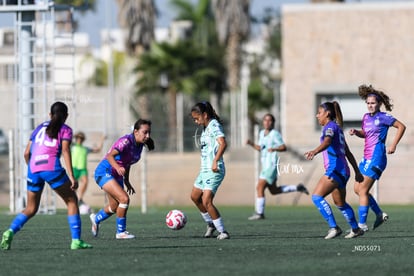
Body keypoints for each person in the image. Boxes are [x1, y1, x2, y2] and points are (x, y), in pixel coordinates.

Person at [1, 101, 92, 250]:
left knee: (30, 208)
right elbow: (65, 151)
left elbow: (26, 153)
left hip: (33, 169)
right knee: (72, 201)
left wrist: (33, 169)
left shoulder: (39, 128)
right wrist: (71, 176)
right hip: (51, 167)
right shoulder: (66, 129)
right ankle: (76, 241)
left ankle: (10, 231)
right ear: (66, 116)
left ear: (50, 115)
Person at [349, 84, 406, 231]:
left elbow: (401, 126)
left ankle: (361, 225)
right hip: (366, 158)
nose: (370, 106)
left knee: (362, 190)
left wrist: (393, 145)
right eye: (368, 103)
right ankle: (379, 214)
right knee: (357, 189)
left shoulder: (383, 117)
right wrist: (357, 132)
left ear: (379, 104)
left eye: (373, 103)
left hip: (377, 157)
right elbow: (366, 134)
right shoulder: (366, 117)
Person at [304, 101, 364, 239]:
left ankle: (334, 227)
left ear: (327, 113)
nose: (316, 115)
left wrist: (314, 151)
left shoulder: (329, 127)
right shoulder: (338, 129)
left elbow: (327, 142)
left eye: (319, 112)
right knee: (340, 203)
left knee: (317, 197)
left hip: (335, 169)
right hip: (344, 171)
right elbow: (347, 152)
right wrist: (357, 172)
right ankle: (356, 229)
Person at [89, 119, 154, 239]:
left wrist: (127, 181)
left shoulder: (138, 147)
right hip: (104, 171)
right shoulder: (125, 141)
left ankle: (96, 219)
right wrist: (118, 167)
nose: (148, 136)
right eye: (145, 132)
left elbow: (127, 163)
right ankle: (121, 232)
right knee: (124, 199)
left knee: (114, 207)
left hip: (117, 174)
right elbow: (110, 156)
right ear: (136, 132)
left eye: (149, 132)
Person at [246, 113, 309, 220]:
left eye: (270, 120)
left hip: (271, 165)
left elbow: (283, 147)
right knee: (274, 191)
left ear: (273, 123)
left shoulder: (275, 134)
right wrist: (251, 144)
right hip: (265, 166)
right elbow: (261, 148)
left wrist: (275, 149)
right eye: (265, 120)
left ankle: (259, 213)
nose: (267, 122)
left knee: (259, 186)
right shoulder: (261, 133)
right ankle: (297, 187)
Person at [190, 101, 229, 240]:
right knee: (195, 197)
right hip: (204, 170)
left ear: (205, 115)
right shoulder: (205, 127)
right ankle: (210, 224)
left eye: (197, 118)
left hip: (215, 169)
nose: (196, 121)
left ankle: (222, 231)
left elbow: (223, 143)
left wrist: (215, 160)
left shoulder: (213, 125)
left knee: (206, 201)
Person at [71, 131, 105, 214]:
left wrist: (102, 140)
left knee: (85, 182)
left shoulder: (85, 149)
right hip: (74, 168)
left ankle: (79, 198)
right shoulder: (72, 146)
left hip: (83, 169)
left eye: (81, 138)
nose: (80, 140)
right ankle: (74, 202)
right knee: (73, 187)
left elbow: (98, 150)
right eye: (78, 138)